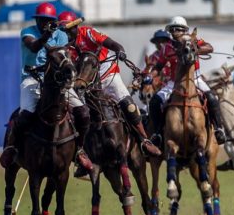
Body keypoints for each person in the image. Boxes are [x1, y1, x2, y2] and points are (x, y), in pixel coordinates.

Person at [0, 3, 94, 176]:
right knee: (26, 114)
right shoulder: (27, 32)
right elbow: (34, 46)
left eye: (48, 20)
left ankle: (79, 150)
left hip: (57, 82)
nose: (44, 23)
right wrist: (46, 34)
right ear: (37, 20)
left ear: (53, 21)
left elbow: (63, 57)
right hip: (32, 79)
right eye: (42, 20)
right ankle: (12, 148)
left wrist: (53, 34)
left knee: (83, 113)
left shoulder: (61, 36)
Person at [57, 11, 162, 158]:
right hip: (85, 82)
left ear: (76, 27)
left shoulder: (88, 32)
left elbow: (111, 43)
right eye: (63, 31)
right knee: (77, 114)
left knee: (129, 105)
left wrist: (119, 51)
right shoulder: (65, 47)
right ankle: (81, 152)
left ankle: (145, 141)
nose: (66, 34)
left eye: (69, 30)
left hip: (108, 75)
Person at [148, 16, 226, 146]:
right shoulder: (167, 48)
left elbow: (210, 48)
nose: (176, 32)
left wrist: (194, 50)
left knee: (212, 98)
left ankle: (218, 129)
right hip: (173, 82)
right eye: (173, 30)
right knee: (155, 102)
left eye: (179, 29)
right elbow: (159, 66)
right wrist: (150, 76)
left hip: (195, 78)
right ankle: (157, 133)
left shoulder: (193, 41)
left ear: (185, 30)